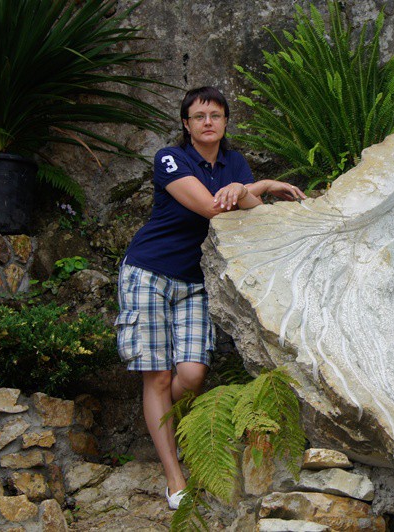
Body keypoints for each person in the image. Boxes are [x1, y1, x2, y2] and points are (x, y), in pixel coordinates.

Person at [114, 86, 306, 510]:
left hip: (196, 280)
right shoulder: (170, 158)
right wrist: (256, 187)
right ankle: (174, 476)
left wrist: (248, 187)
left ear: (225, 122)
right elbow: (213, 208)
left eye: (215, 115)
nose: (207, 122)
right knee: (157, 377)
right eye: (199, 116)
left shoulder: (234, 163)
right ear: (186, 124)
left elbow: (251, 210)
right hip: (148, 271)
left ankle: (172, 430)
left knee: (193, 374)